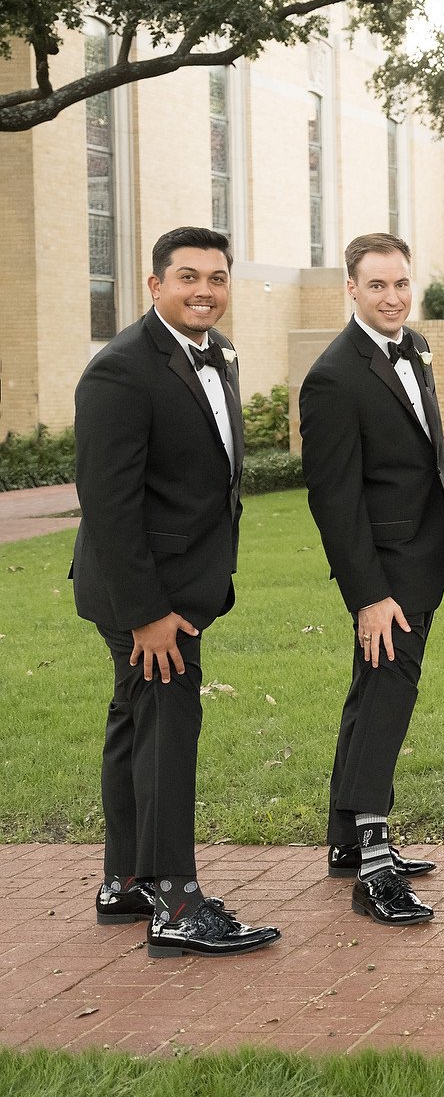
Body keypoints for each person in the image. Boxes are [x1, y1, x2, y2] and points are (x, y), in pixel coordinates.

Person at [71, 225, 279, 957]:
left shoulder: (215, 354)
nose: (204, 291)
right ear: (154, 284)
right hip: (149, 599)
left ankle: (126, 881)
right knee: (166, 734)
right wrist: (148, 615)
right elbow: (108, 503)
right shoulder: (121, 370)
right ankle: (174, 899)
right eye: (188, 277)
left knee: (136, 724)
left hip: (185, 586)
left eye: (216, 278)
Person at [300, 233, 444, 926]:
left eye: (402, 283)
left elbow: (432, 453)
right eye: (377, 286)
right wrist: (369, 597)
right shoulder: (334, 375)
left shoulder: (415, 349)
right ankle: (373, 865)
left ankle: (347, 840)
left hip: (424, 557)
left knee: (369, 694)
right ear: (351, 289)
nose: (393, 297)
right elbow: (333, 500)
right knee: (385, 703)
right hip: (386, 578)